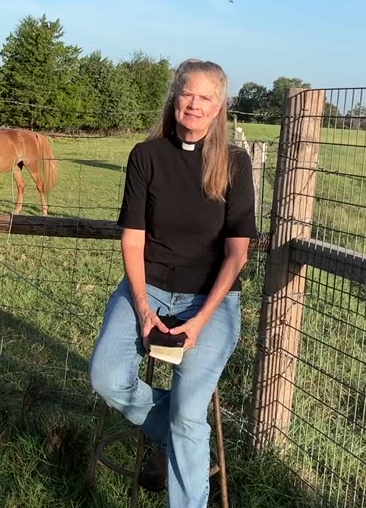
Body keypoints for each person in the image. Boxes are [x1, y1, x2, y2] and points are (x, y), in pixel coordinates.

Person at [89, 58, 257, 507]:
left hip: (212, 300)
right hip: (150, 286)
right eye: (188, 94)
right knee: (106, 377)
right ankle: (179, 433)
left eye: (206, 98)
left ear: (219, 106)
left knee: (188, 411)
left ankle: (185, 461)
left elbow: (236, 253)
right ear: (174, 96)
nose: (194, 105)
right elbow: (133, 239)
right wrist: (144, 309)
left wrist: (200, 321)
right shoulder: (146, 156)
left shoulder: (235, 165)